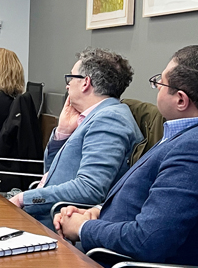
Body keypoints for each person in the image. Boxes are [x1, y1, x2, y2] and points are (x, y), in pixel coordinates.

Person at [55, 45, 198, 268]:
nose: (157, 88)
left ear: (181, 100)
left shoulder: (197, 147)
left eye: (160, 83)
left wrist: (82, 228)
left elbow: (149, 239)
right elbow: (153, 208)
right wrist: (98, 212)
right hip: (112, 267)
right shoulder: (184, 135)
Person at [9, 48, 142, 226]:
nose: (67, 85)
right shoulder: (94, 116)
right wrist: (62, 132)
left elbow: (89, 189)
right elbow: (51, 173)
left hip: (54, 224)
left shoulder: (110, 120)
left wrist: (26, 198)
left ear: (85, 82)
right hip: (43, 215)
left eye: (70, 78)